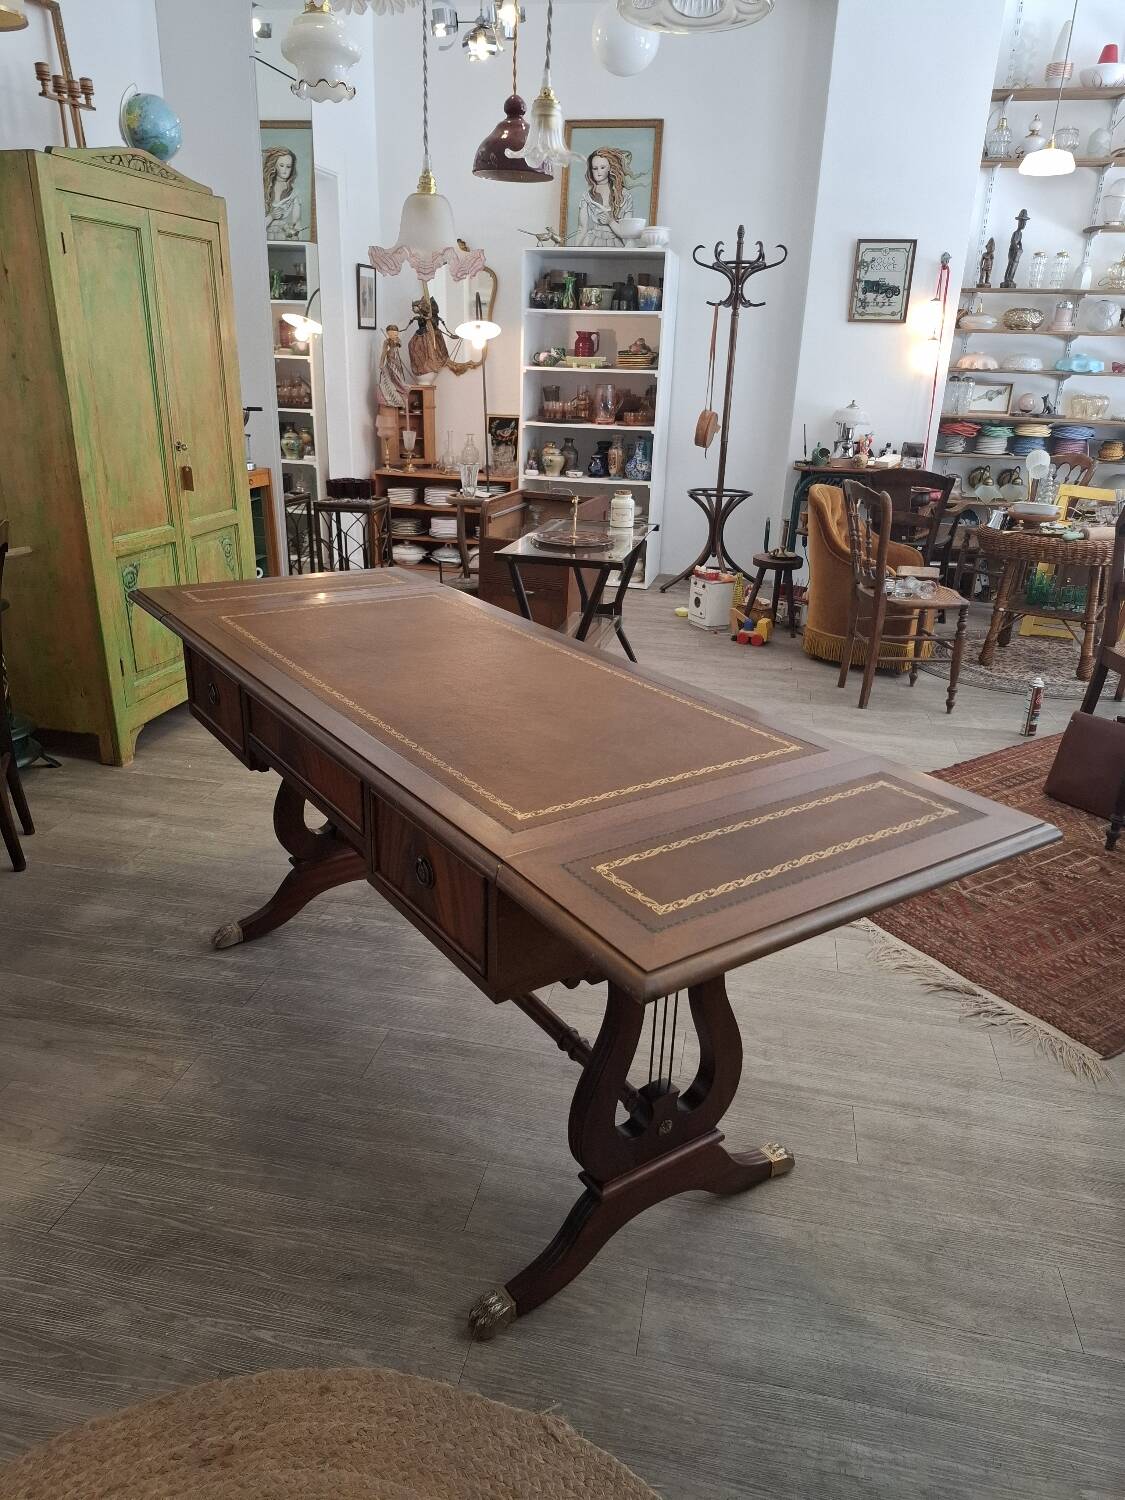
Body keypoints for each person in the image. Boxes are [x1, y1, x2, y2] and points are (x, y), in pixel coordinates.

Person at [574, 148, 634, 248]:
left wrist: (611, 221)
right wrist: (574, 252)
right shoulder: (587, 196)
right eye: (595, 168)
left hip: (616, 244)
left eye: (602, 167)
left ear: (610, 168)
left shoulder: (625, 195)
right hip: (592, 242)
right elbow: (582, 228)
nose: (598, 172)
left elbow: (628, 233)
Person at [263, 147, 302, 241]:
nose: (285, 170)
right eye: (281, 165)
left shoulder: (294, 193)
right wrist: (271, 216)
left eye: (288, 166)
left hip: (283, 240)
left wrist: (293, 233)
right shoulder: (264, 189)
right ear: (274, 166)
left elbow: (296, 225)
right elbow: (255, 227)